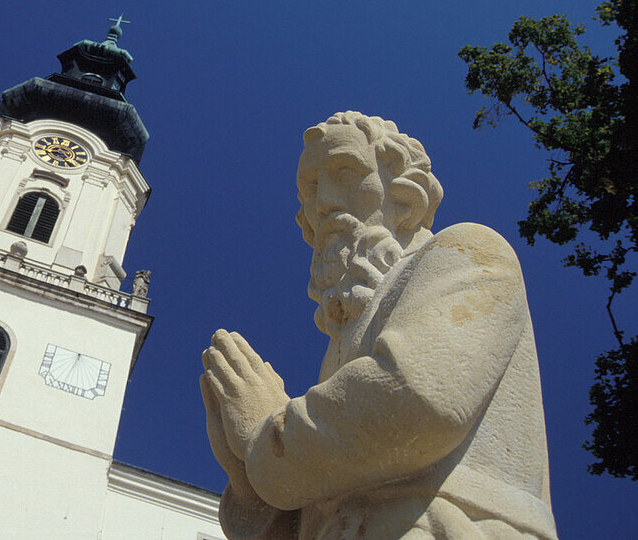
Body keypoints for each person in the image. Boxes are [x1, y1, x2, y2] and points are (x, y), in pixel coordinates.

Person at [201, 112, 557, 539]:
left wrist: (266, 434)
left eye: (346, 172)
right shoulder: (342, 345)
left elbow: (417, 401)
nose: (324, 202)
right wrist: (245, 478)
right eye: (311, 187)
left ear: (404, 199)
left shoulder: (469, 253)